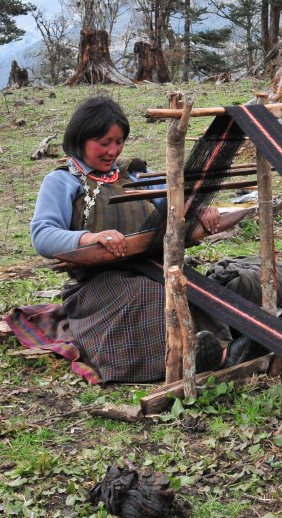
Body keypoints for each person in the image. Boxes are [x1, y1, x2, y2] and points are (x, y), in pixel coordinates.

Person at [13, 96, 239, 384]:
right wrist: (90, 238)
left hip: (150, 268)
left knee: (189, 288)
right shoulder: (62, 182)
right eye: (104, 142)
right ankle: (186, 359)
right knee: (149, 295)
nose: (112, 150)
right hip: (96, 285)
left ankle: (219, 350)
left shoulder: (134, 174)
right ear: (81, 139)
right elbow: (42, 235)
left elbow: (173, 205)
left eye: (119, 142)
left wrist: (199, 209)